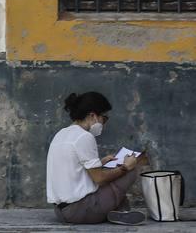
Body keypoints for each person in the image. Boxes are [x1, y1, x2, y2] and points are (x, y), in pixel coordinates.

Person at [46, 91, 150, 225]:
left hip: (61, 212)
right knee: (129, 172)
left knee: (112, 171)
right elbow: (100, 179)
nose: (104, 123)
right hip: (81, 212)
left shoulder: (61, 134)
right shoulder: (84, 137)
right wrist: (126, 167)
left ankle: (118, 212)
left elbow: (72, 170)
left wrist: (101, 162)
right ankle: (120, 212)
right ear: (92, 115)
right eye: (104, 118)